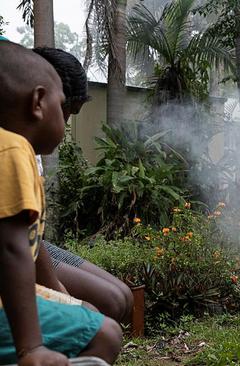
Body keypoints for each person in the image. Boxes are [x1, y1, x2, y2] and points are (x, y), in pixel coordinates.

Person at [0, 40, 121, 365]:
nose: (66, 124)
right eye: (63, 106)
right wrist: (31, 348)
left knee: (92, 312)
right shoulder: (12, 148)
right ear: (39, 101)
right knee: (105, 333)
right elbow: (12, 249)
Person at [32, 47, 134, 324]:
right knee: (107, 305)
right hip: (22, 251)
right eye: (65, 113)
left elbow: (33, 234)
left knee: (124, 296)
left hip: (35, 245)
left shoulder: (30, 151)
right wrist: (65, 299)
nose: (64, 126)